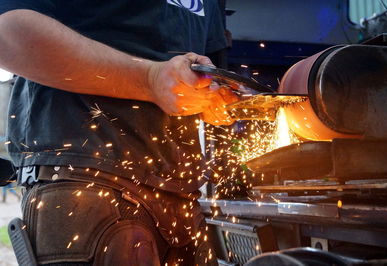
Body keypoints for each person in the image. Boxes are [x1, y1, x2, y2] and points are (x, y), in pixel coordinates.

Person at [0, 1, 238, 265]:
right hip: (88, 176)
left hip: (181, 194)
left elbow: (211, 72)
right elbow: (9, 32)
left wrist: (215, 96)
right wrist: (148, 79)